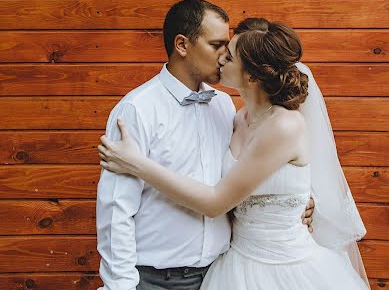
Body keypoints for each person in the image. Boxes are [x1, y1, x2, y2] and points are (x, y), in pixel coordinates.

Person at [99, 16, 369, 290]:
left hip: (283, 268)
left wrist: (138, 165)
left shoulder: (283, 124)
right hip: (231, 262)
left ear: (251, 75)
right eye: (219, 49)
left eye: (228, 56)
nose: (220, 60)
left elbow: (217, 200)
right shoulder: (234, 116)